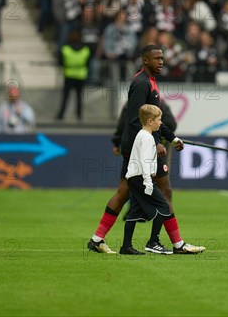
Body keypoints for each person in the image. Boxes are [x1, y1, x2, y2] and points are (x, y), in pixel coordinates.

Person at [87, 44, 204, 255]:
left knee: (124, 192)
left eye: (162, 58)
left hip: (144, 146)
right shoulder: (141, 83)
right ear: (145, 60)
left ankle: (97, 239)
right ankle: (174, 243)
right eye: (157, 58)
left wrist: (172, 138)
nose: (161, 62)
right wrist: (154, 142)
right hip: (141, 148)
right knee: (164, 191)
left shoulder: (149, 81)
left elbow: (154, 120)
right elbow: (134, 120)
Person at [121, 105, 178, 255]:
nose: (161, 123)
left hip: (134, 178)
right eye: (159, 120)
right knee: (164, 207)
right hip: (141, 179)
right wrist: (148, 182)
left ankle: (126, 246)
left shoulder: (141, 135)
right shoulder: (147, 138)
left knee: (134, 211)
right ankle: (153, 242)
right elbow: (145, 161)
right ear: (150, 121)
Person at [56, 30, 91, 121]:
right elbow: (88, 63)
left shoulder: (65, 49)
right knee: (79, 97)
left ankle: (61, 115)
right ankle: (79, 115)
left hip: (69, 75)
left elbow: (60, 62)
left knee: (65, 97)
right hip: (81, 75)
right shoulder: (85, 49)